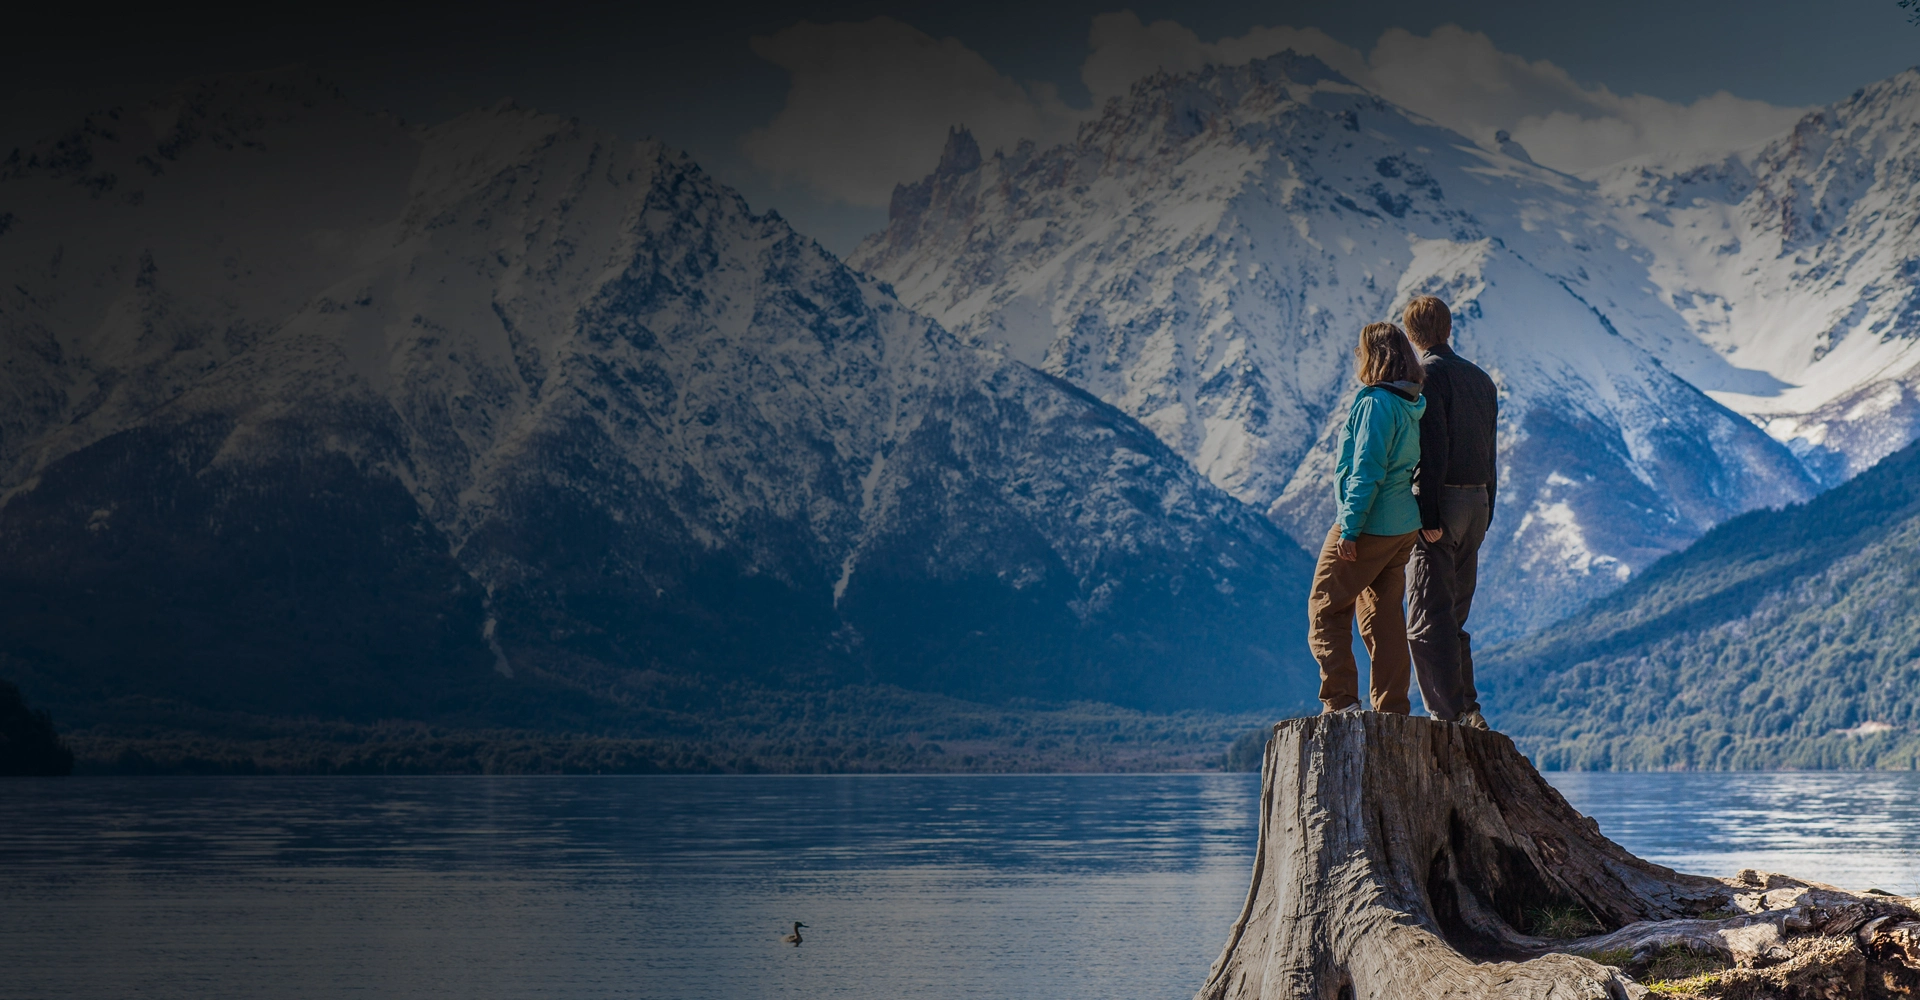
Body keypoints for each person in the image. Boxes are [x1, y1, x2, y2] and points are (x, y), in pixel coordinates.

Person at [1309, 322, 1427, 715]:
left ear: (1373, 356)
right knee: (1383, 617)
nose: (1358, 358)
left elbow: (1366, 470)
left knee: (1325, 607)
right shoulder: (1410, 402)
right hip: (1402, 526)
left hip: (1369, 525)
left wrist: (1350, 529)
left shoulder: (1376, 403)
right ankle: (1391, 708)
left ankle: (1340, 702)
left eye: (1361, 352)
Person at [1402, 296, 1498, 730]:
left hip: (1443, 502)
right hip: (1478, 502)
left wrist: (1428, 515)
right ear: (1449, 328)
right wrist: (1486, 509)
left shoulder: (1427, 376)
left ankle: (1449, 716)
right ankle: (1468, 710)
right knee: (1454, 616)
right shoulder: (1481, 380)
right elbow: (1491, 452)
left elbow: (1433, 446)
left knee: (1425, 617)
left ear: (1411, 334)